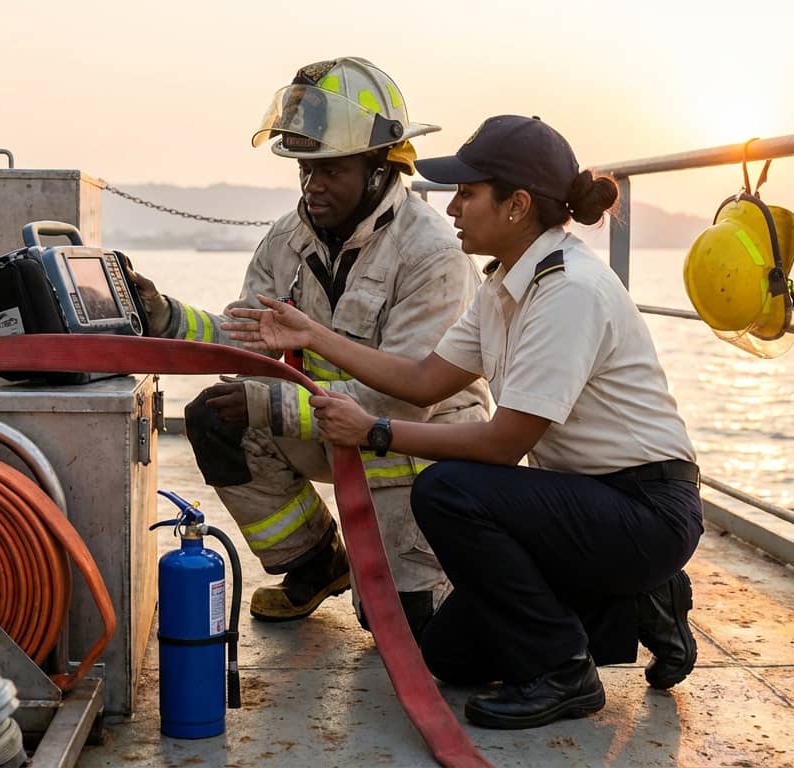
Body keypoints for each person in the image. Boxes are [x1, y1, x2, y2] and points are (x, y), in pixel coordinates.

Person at [223, 114, 702, 730]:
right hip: (584, 503)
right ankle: (636, 603)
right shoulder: (505, 284)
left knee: (450, 489)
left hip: (644, 508)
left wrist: (374, 431)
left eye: (468, 192)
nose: (452, 208)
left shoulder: (568, 291)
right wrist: (313, 334)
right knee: (448, 656)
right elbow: (425, 377)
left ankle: (565, 671)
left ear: (517, 205)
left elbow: (504, 446)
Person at [126, 57, 491, 636]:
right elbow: (247, 335)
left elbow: (403, 402)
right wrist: (164, 315)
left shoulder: (431, 254)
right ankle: (315, 562)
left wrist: (267, 405)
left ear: (379, 168)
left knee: (403, 628)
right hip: (330, 427)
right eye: (304, 168)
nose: (311, 185)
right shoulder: (288, 238)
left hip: (413, 455)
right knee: (216, 417)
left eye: (330, 170)